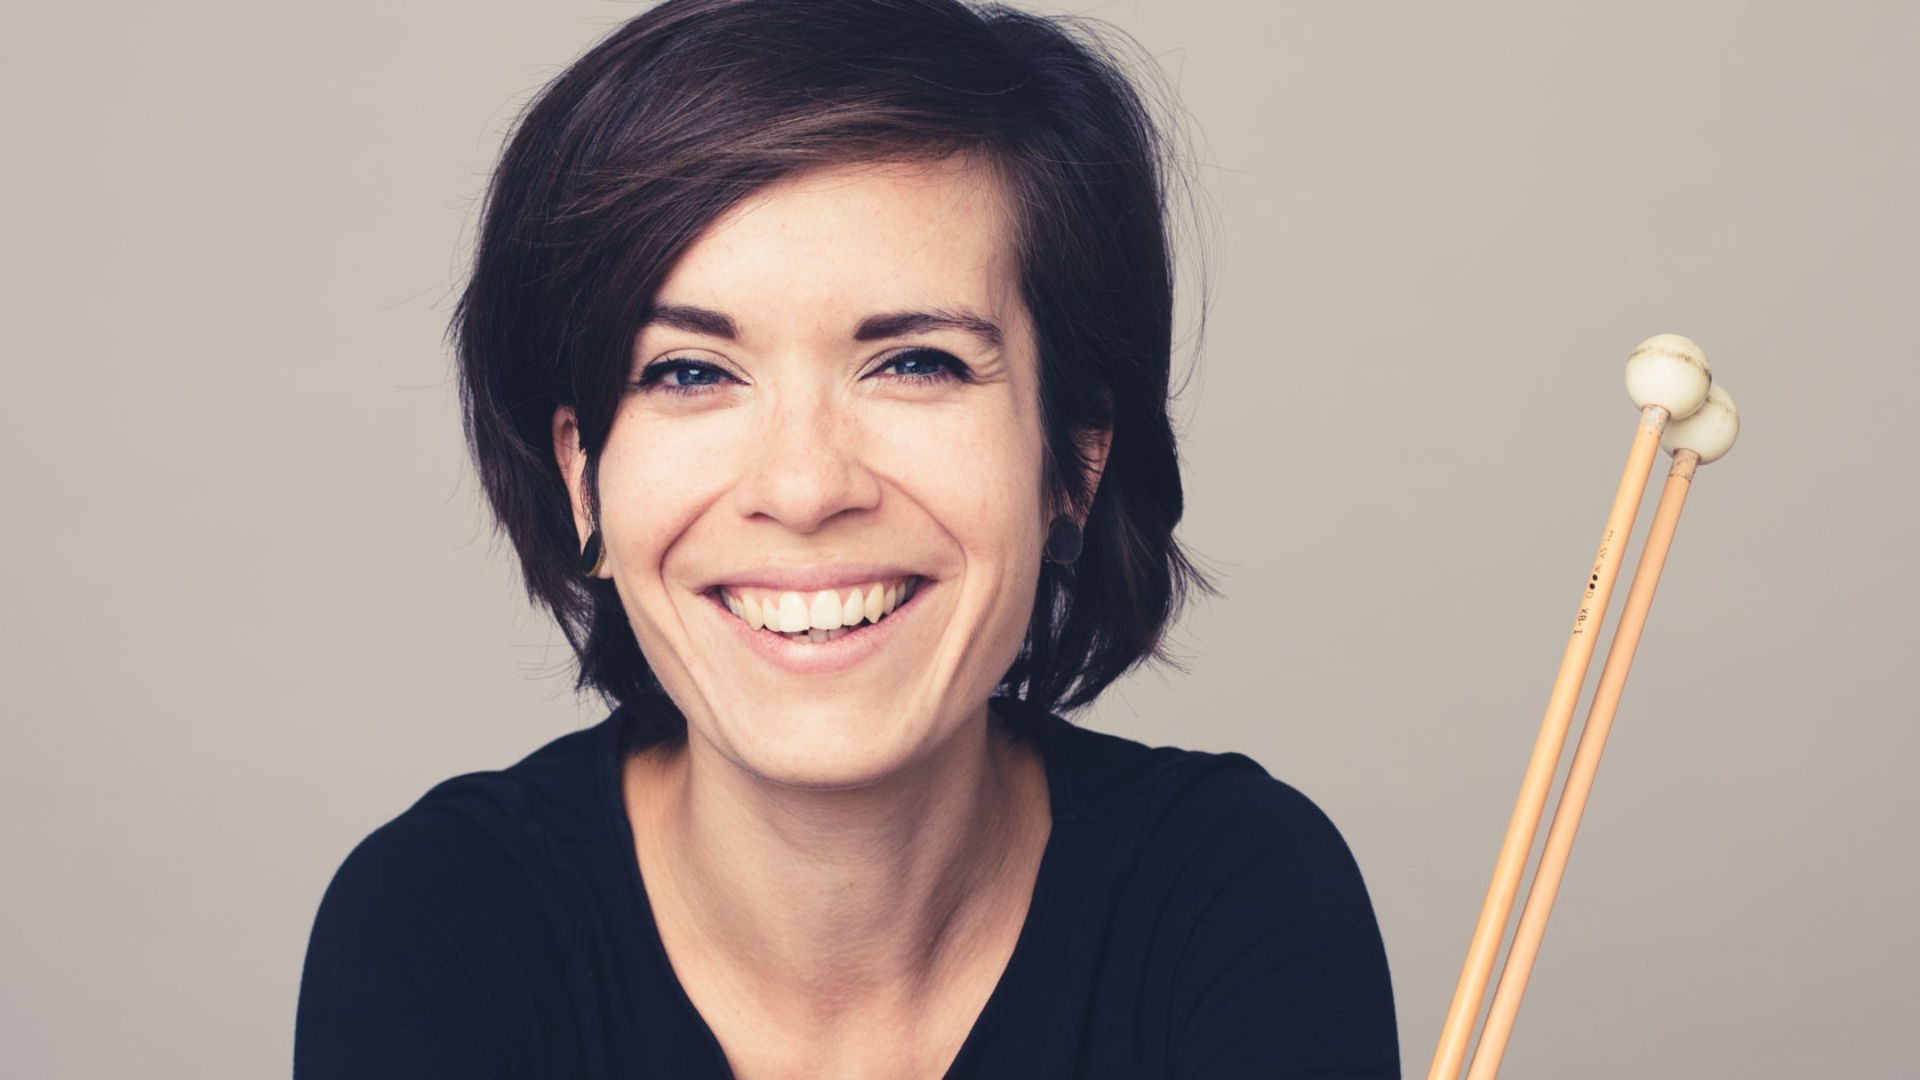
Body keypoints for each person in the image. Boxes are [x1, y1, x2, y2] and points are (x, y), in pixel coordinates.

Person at [293, 0, 1398, 1076]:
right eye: (690, 372)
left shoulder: (1235, 900)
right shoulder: (441, 926)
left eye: (915, 363)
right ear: (583, 477)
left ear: (1073, 458)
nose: (805, 486)